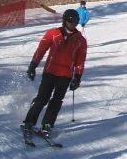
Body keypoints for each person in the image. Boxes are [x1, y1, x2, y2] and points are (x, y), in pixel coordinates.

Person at [22, 9, 87, 142]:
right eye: (70, 22)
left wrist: (77, 77)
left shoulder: (80, 40)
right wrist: (33, 66)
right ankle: (29, 123)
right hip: (50, 72)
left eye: (75, 22)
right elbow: (40, 50)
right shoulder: (53, 33)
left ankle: (47, 125)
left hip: (65, 75)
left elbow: (80, 61)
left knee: (56, 101)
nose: (73, 24)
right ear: (65, 21)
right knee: (42, 98)